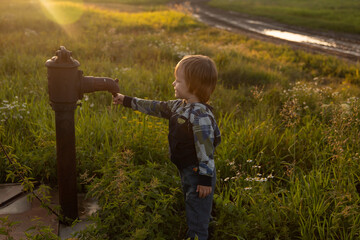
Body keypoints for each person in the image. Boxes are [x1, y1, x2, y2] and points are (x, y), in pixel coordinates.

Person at [113, 55, 221, 240]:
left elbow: (206, 151)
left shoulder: (200, 115)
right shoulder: (181, 106)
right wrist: (127, 101)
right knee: (194, 205)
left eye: (178, 81)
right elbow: (155, 107)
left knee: (197, 214)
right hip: (187, 170)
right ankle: (208, 223)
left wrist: (204, 179)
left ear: (193, 86)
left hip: (199, 174)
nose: (173, 83)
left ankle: (199, 234)